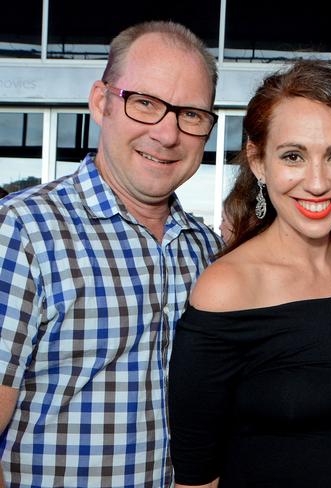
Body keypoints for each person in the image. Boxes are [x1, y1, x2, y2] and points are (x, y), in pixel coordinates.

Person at [168, 60, 331, 488]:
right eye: (293, 156)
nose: (317, 182)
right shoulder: (227, 288)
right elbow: (195, 474)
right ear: (259, 162)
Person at [0, 21, 221, 487]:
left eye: (191, 114)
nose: (167, 134)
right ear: (101, 102)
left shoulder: (206, 248)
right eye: (144, 103)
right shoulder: (22, 231)